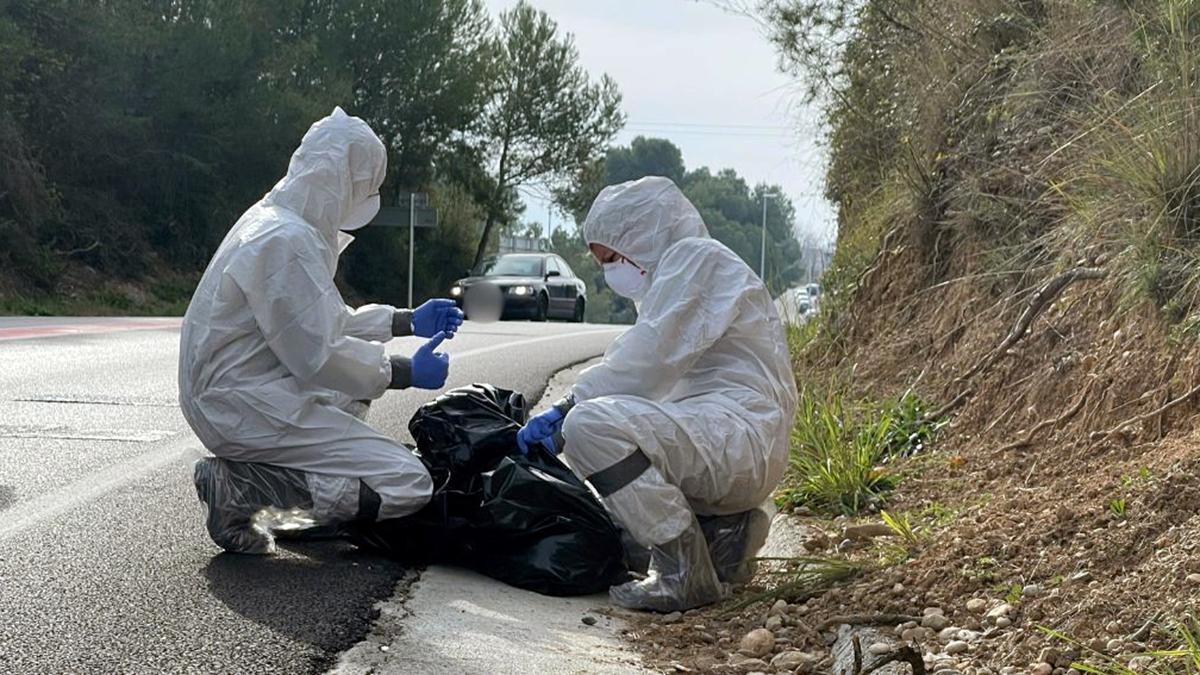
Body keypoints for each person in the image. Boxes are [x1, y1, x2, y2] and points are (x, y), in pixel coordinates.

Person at [179, 107, 463, 555]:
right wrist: (403, 371)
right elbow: (323, 353)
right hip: (243, 402)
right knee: (408, 481)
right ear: (342, 180)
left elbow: (317, 323)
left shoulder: (277, 222)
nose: (369, 197)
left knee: (352, 393)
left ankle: (280, 488)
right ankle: (245, 491)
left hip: (240, 391)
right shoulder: (283, 241)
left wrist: (405, 320)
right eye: (367, 187)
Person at [516, 176, 798, 612]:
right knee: (624, 531)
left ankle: (683, 573)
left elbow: (645, 361)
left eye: (612, 258)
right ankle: (725, 536)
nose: (611, 271)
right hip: (734, 440)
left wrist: (570, 404)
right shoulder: (682, 274)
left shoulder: (696, 260)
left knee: (590, 428)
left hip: (738, 439)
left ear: (643, 236)